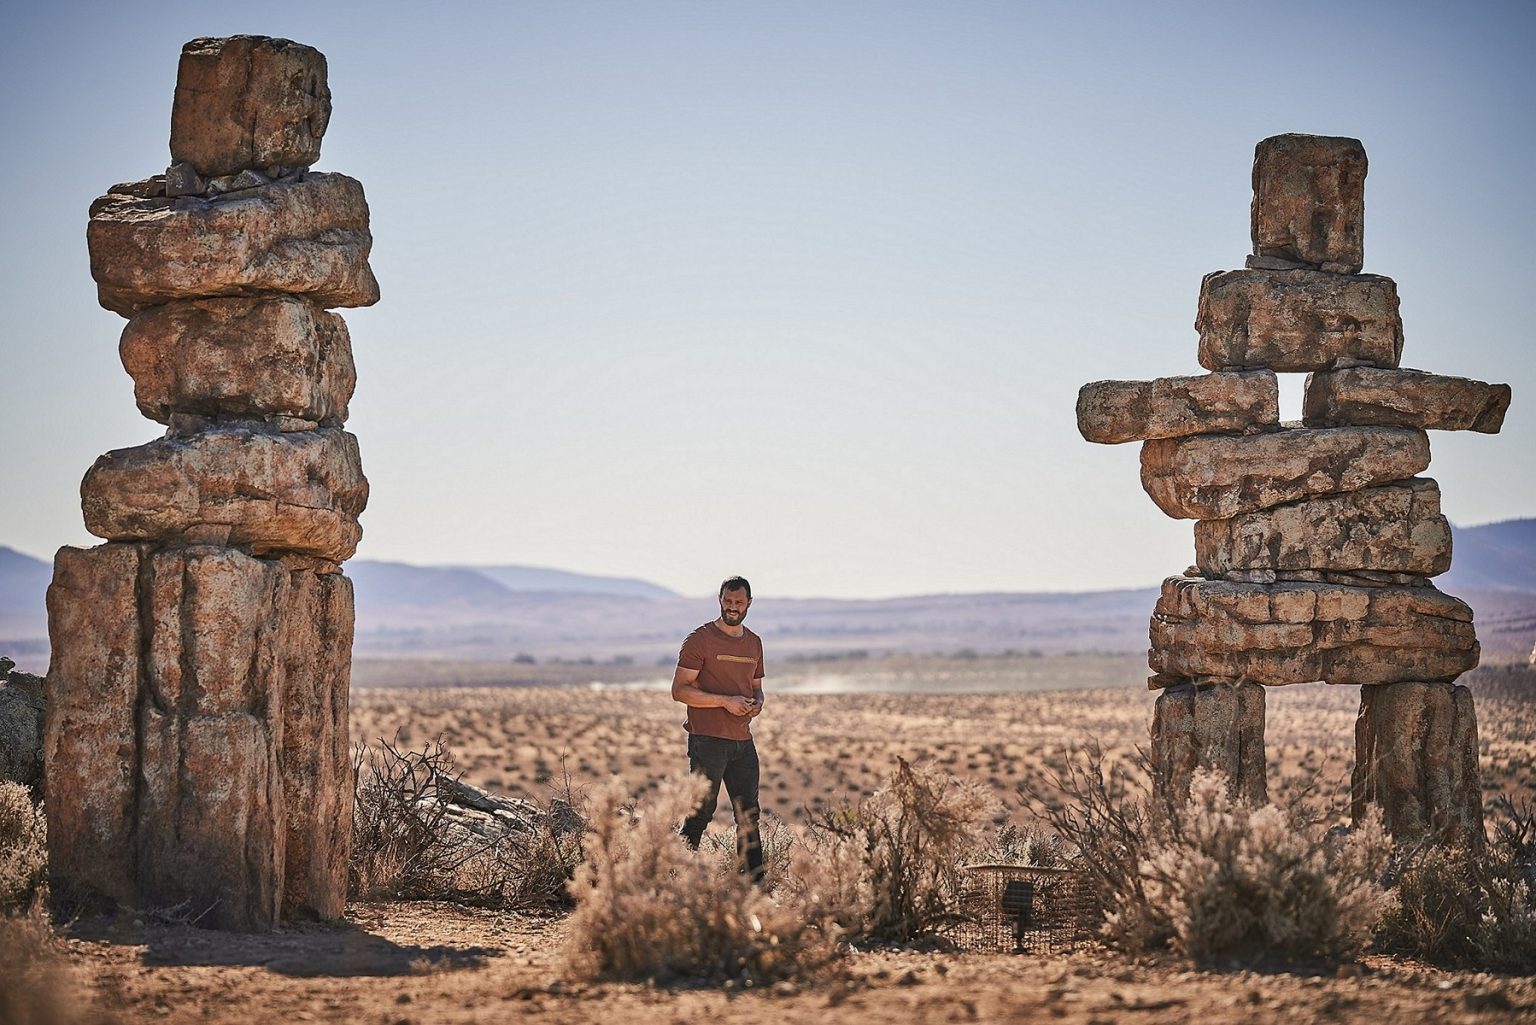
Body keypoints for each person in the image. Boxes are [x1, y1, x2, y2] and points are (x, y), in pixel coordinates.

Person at [671, 575, 766, 881]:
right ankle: (677, 880)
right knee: (700, 813)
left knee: (748, 815)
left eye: (739, 602)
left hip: (742, 742)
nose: (732, 607)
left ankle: (754, 885)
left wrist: (758, 702)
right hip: (707, 741)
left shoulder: (754, 643)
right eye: (727, 601)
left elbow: (756, 687)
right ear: (720, 600)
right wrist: (725, 702)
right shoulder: (700, 639)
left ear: (749, 603)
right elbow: (679, 691)